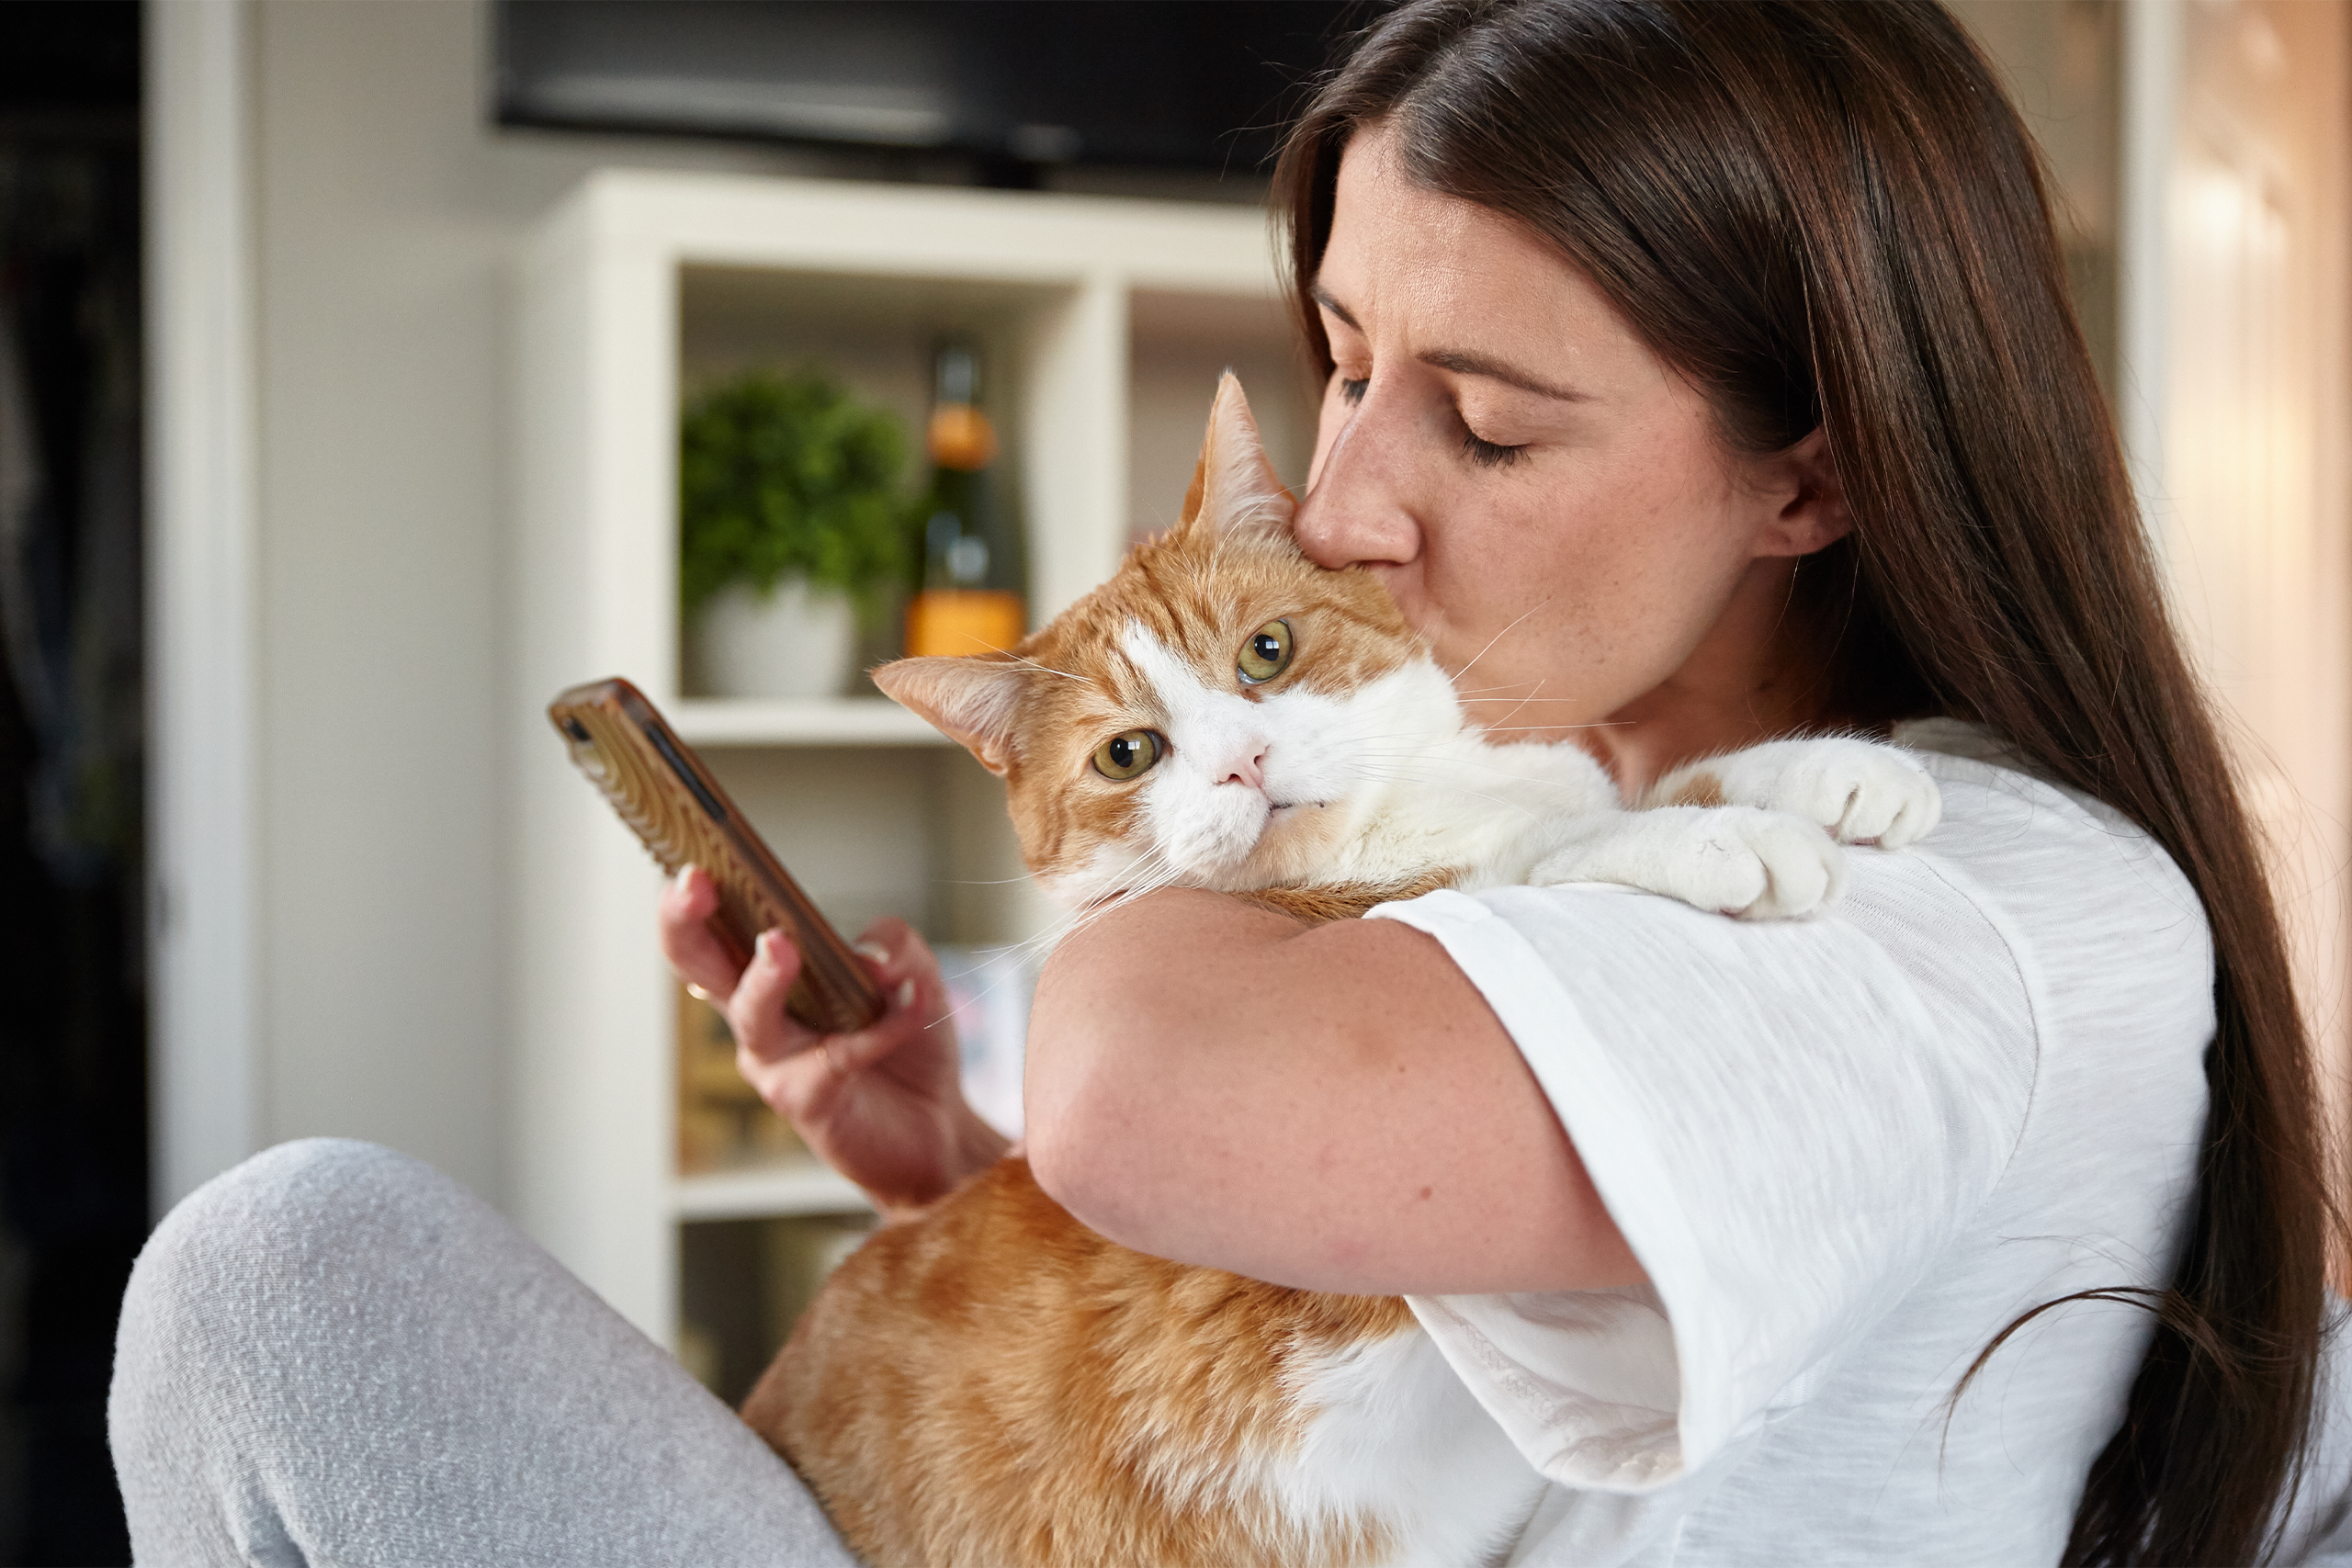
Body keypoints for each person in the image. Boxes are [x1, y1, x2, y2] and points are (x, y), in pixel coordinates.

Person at [111, 3, 2352, 1564]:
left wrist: (1129, 921)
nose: (1352, 499)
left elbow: (1152, 1089)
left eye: (1480, 421)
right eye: (1344, 363)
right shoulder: (1577, 811)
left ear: (1811, 473)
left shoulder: (1967, 900)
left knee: (280, 1266)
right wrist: (975, 1174)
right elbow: (1373, 1315)